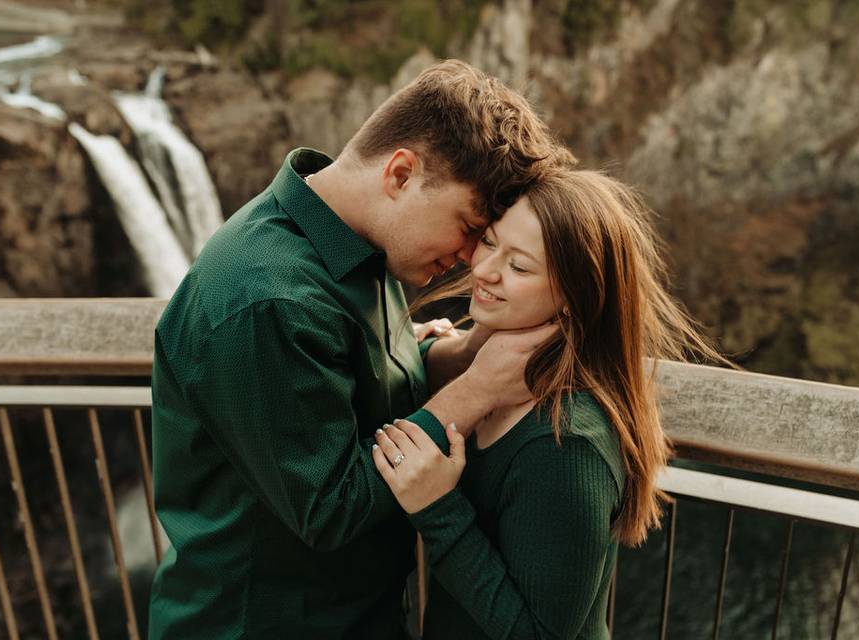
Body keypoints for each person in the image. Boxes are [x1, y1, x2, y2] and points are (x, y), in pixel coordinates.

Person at [148, 60, 573, 639]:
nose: (473, 257)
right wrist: (478, 392)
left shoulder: (361, 247)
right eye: (469, 226)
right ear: (400, 174)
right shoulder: (269, 299)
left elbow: (350, 399)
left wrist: (455, 356)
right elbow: (331, 508)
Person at [373, 170, 724, 639]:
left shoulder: (566, 444)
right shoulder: (494, 377)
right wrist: (422, 354)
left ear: (573, 298)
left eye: (519, 267)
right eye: (489, 242)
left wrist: (437, 507)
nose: (483, 270)